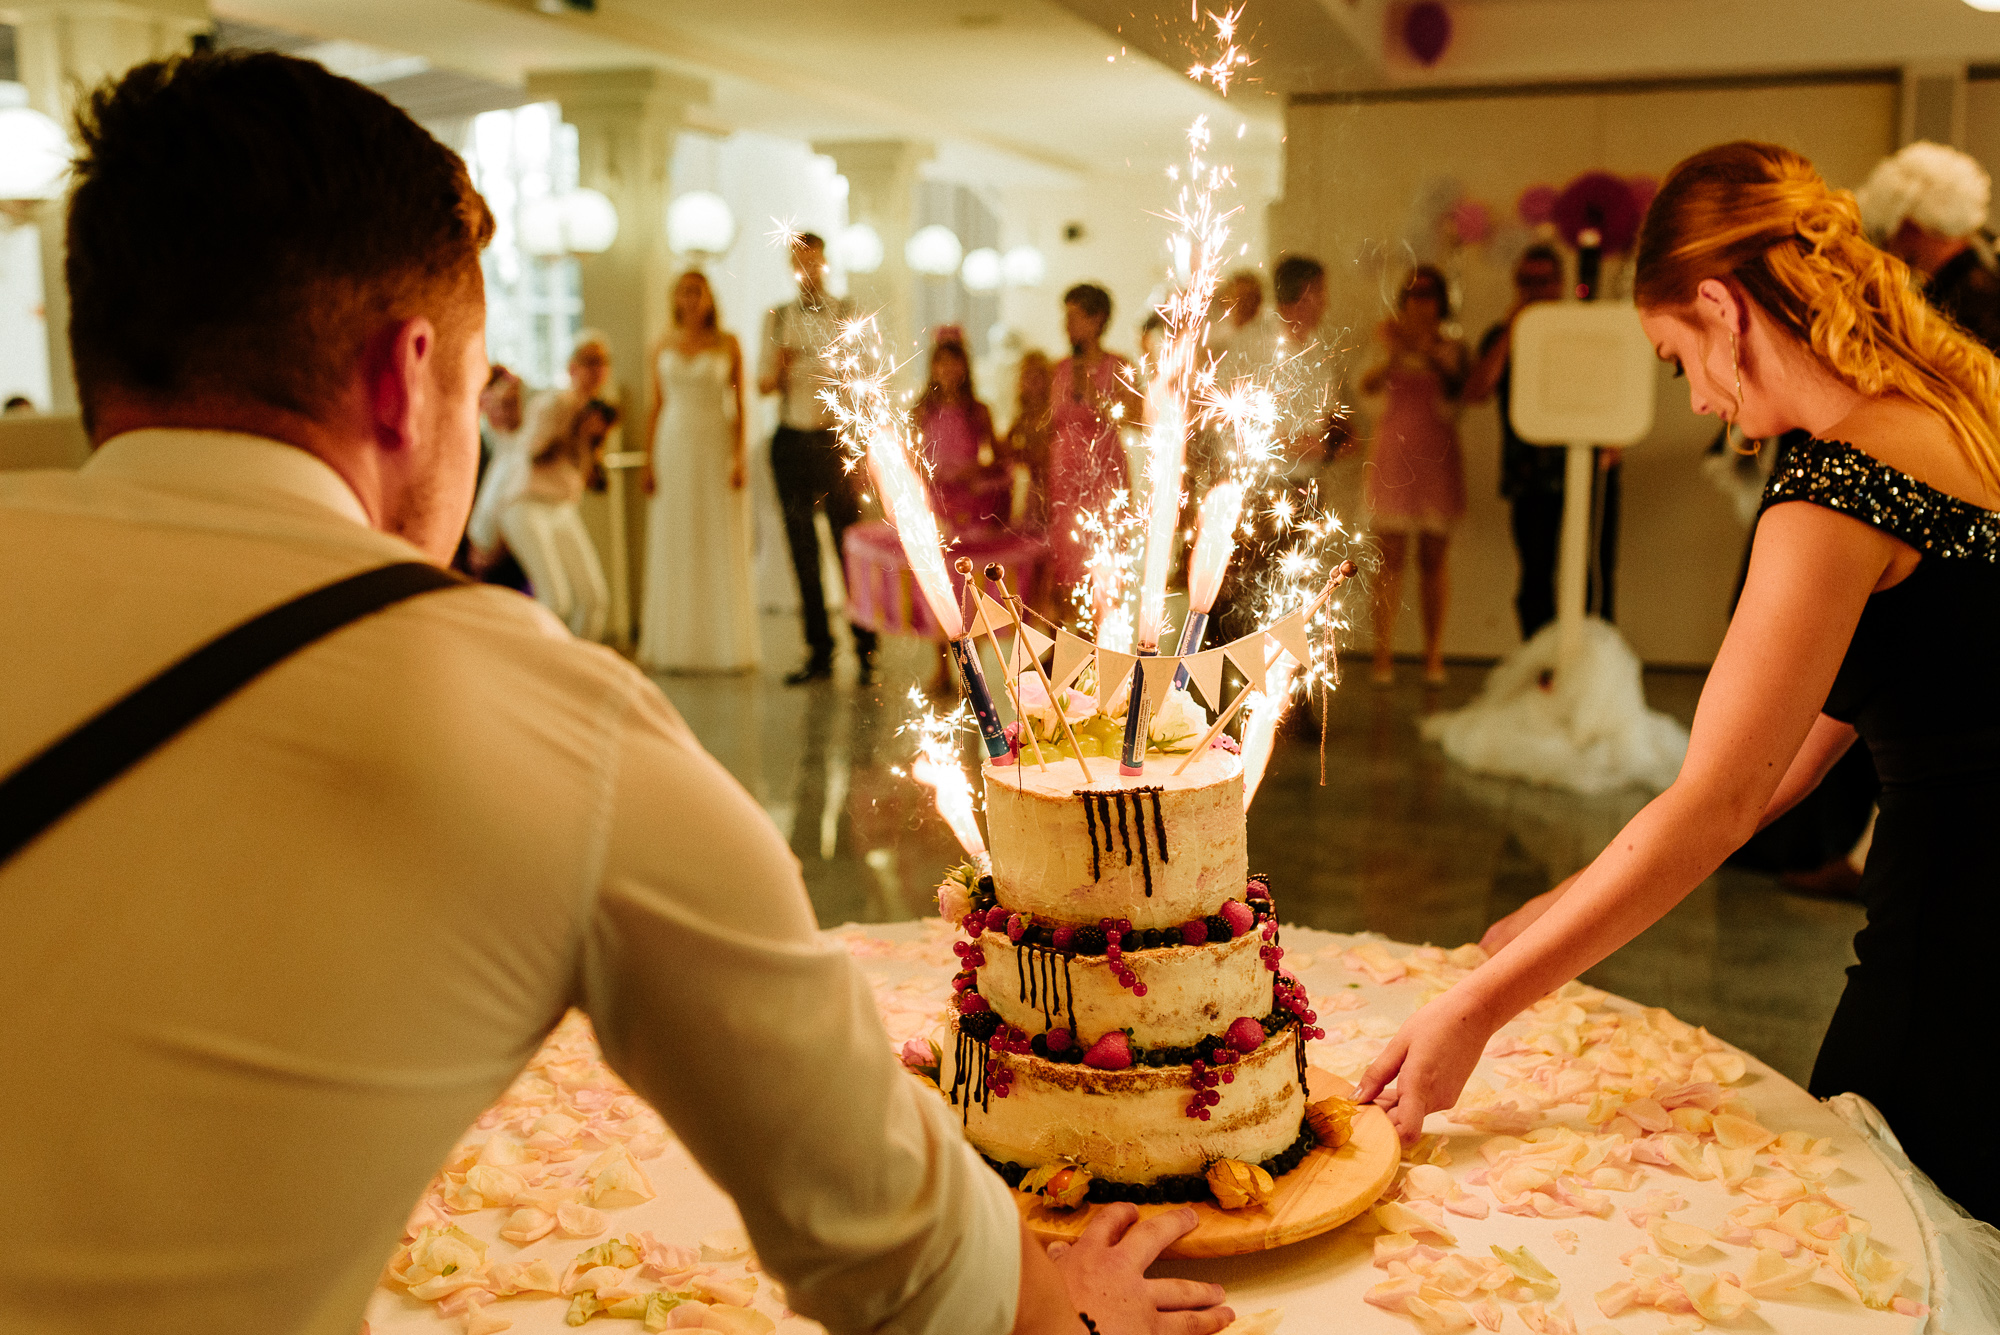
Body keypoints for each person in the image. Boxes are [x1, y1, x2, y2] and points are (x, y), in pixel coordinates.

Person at [0, 50, 1235, 1334]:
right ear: (400, 376)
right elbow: (903, 1253)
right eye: (478, 387)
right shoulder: (542, 715)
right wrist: (1068, 1309)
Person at [1357, 141, 2000, 1223]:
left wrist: (1474, 1010)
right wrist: (1561, 908)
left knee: (1896, 1243)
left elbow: (1716, 801)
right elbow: (1789, 761)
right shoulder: (1965, 417)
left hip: (1956, 967)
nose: (1695, 398)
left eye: (1673, 358)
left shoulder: (1837, 488)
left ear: (1719, 307)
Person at [1464, 245, 1621, 640]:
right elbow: (1477, 390)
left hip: (1588, 467)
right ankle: (1539, 661)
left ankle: (1586, 658)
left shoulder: (1582, 329)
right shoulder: (1503, 335)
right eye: (1527, 282)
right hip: (1529, 475)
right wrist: (1514, 331)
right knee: (1536, 574)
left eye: (1544, 281)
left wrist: (1612, 442)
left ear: (1560, 283)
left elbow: (1611, 388)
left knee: (1590, 570)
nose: (1536, 289)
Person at [760, 233, 876, 686]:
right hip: (791, 440)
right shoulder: (777, 318)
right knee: (802, 552)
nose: (807, 271)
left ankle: (866, 650)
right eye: (799, 263)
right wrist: (781, 366)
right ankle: (819, 652)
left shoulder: (845, 312)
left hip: (835, 441)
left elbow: (866, 377)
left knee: (850, 547)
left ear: (825, 264)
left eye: (815, 262)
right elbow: (762, 385)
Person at [638, 270, 757, 673]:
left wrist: (740, 457)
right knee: (677, 535)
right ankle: (674, 643)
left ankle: (723, 645)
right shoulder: (661, 345)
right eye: (684, 292)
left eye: (697, 291)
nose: (690, 299)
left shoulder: (729, 344)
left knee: (716, 535)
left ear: (708, 297)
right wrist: (648, 461)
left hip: (714, 442)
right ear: (676, 298)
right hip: (673, 444)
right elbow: (655, 406)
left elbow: (741, 406)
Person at [1360, 265, 1470, 685]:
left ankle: (1434, 654)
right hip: (1392, 452)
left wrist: (1431, 356)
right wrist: (1393, 354)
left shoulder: (1453, 346)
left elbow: (1460, 396)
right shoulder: (1382, 339)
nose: (1421, 302)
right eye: (1413, 294)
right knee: (1388, 558)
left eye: (1429, 294)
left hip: (1437, 456)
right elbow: (1365, 389)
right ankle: (1382, 654)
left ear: (1442, 301)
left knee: (1434, 557)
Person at [1047, 283, 1143, 613]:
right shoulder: (1060, 369)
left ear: (1097, 319)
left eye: (1075, 316)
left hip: (1104, 471)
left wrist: (1099, 397)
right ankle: (1067, 639)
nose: (1067, 324)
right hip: (1066, 473)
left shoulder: (1117, 366)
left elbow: (1138, 417)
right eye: (1066, 316)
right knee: (1067, 554)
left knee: (1104, 548)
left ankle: (1102, 638)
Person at [1856, 140, 2000, 354]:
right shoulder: (1985, 285)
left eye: (1885, 233)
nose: (1886, 246)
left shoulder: (1957, 309)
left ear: (1910, 224)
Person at [915, 325, 1005, 531]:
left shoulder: (979, 411)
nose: (947, 368)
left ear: (964, 366)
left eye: (954, 361)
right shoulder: (922, 411)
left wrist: (974, 470)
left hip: (970, 499)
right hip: (933, 498)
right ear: (932, 367)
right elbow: (913, 458)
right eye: (941, 361)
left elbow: (997, 458)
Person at [999, 349, 1054, 532]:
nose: (1033, 380)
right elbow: (1004, 446)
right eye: (1028, 375)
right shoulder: (1024, 416)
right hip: (1034, 486)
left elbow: (1046, 453)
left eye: (1039, 375)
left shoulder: (1052, 415)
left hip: (1053, 484)